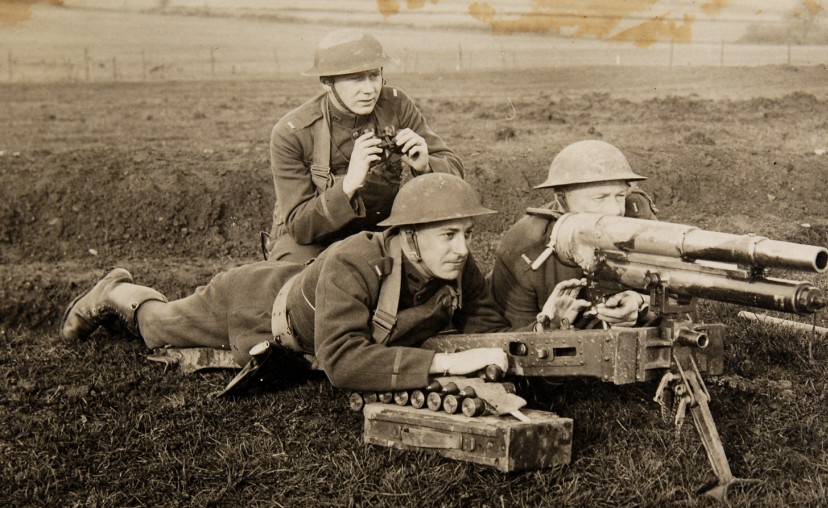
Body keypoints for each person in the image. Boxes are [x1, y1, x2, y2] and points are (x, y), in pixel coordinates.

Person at [60, 174, 508, 392]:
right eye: (448, 235)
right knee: (157, 325)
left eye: (467, 234)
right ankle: (115, 290)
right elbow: (344, 362)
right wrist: (446, 365)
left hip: (304, 296)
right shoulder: (355, 263)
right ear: (408, 236)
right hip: (252, 303)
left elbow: (485, 323)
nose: (463, 249)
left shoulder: (455, 265)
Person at [265, 29, 464, 262]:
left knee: (437, 262)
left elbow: (455, 174)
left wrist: (426, 166)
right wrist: (349, 184)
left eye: (374, 76)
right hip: (316, 239)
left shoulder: (395, 106)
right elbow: (301, 227)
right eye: (356, 79)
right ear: (327, 83)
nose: (370, 89)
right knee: (300, 280)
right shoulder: (294, 133)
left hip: (379, 229)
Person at [490, 140, 658, 331]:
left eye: (620, 196)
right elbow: (514, 338)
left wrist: (641, 304)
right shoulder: (525, 249)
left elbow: (680, 299)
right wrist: (549, 325)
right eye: (600, 198)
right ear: (562, 198)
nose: (615, 210)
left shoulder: (640, 220)